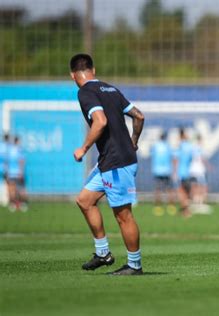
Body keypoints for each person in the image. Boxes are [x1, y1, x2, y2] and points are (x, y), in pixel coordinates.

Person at [70, 53, 145, 275]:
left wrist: (83, 148)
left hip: (117, 162)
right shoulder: (110, 89)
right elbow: (139, 116)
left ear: (72, 75)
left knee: (123, 216)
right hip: (110, 160)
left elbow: (100, 121)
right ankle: (103, 254)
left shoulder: (85, 92)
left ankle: (134, 265)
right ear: (93, 69)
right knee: (84, 200)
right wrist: (133, 142)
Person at [151, 131, 177, 215]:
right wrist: (174, 170)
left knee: (158, 189)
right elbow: (172, 157)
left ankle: (158, 207)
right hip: (167, 170)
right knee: (169, 189)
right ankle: (171, 207)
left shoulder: (155, 146)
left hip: (157, 170)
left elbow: (152, 155)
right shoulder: (168, 146)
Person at [173, 128, 194, 218]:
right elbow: (191, 158)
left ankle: (185, 211)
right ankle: (186, 210)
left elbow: (176, 159)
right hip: (188, 172)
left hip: (180, 172)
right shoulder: (189, 146)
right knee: (187, 192)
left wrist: (174, 171)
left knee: (181, 192)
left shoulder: (180, 146)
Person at [189, 134, 212, 214]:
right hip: (199, 170)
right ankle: (200, 203)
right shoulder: (200, 148)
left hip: (192, 170)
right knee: (203, 187)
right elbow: (202, 159)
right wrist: (209, 166)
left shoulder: (191, 148)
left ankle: (194, 202)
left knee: (194, 186)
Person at [6, 136, 27, 212]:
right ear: (17, 141)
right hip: (18, 173)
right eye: (19, 141)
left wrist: (7, 172)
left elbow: (7, 163)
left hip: (11, 173)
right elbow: (22, 161)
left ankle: (13, 205)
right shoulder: (19, 150)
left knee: (12, 190)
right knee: (21, 189)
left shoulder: (9, 150)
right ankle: (22, 204)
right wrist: (21, 172)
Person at [0, 133, 10, 207]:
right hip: (5, 168)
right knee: (8, 184)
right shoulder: (7, 146)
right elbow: (6, 158)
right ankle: (5, 199)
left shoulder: (1, 145)